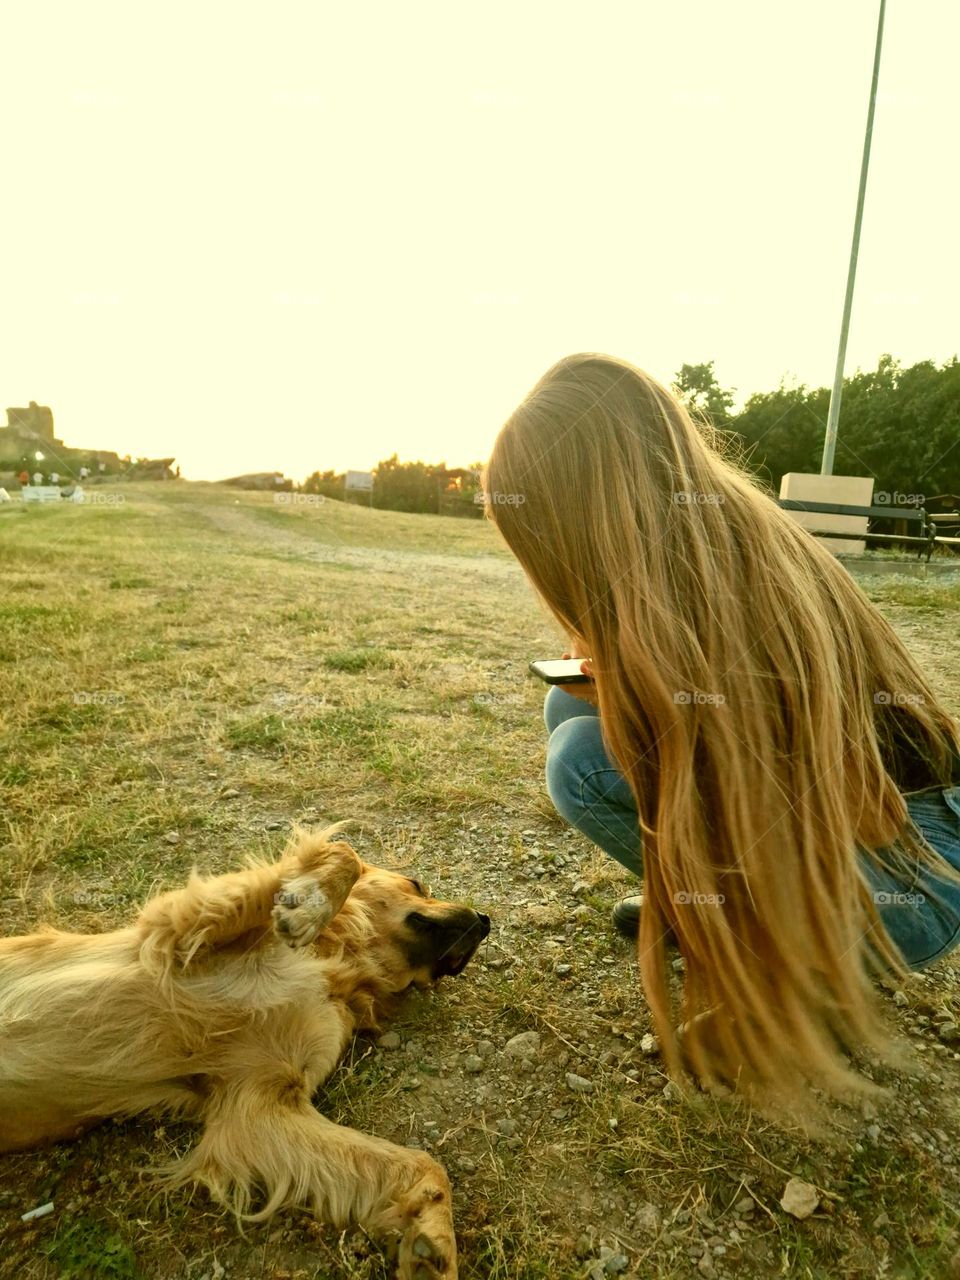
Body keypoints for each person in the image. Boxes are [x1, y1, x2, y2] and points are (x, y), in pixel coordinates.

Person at [483, 352, 960, 1106]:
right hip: (884, 842)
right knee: (569, 709)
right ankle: (708, 909)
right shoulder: (700, 546)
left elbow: (819, 800)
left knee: (580, 758)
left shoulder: (737, 591)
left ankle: (791, 978)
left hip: (912, 874)